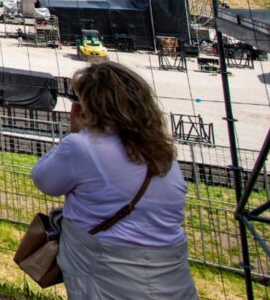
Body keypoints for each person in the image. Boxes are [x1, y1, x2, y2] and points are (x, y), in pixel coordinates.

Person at [31, 62, 197, 300]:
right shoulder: (162, 154)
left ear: (92, 105)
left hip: (108, 274)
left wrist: (76, 133)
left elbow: (44, 181)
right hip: (171, 275)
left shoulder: (82, 146)